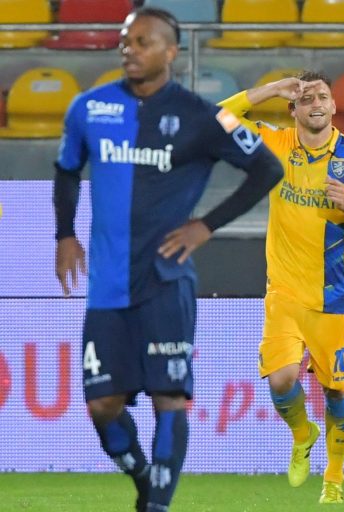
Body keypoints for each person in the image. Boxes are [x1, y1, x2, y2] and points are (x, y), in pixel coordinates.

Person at [53, 7, 283, 511]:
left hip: (165, 279)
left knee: (170, 398)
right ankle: (145, 479)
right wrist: (65, 234)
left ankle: (157, 505)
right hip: (107, 285)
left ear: (171, 52)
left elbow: (268, 168)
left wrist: (206, 225)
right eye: (125, 40)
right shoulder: (89, 107)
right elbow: (67, 169)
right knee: (102, 405)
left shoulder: (205, 115)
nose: (129, 49)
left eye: (142, 41)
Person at [217, 71, 344, 503]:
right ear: (292, 109)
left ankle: (334, 480)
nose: (316, 104)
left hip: (334, 296)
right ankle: (301, 433)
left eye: (322, 97)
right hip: (285, 292)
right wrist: (273, 88)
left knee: (337, 391)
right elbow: (220, 119)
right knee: (280, 381)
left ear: (334, 106)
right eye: (306, 98)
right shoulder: (275, 144)